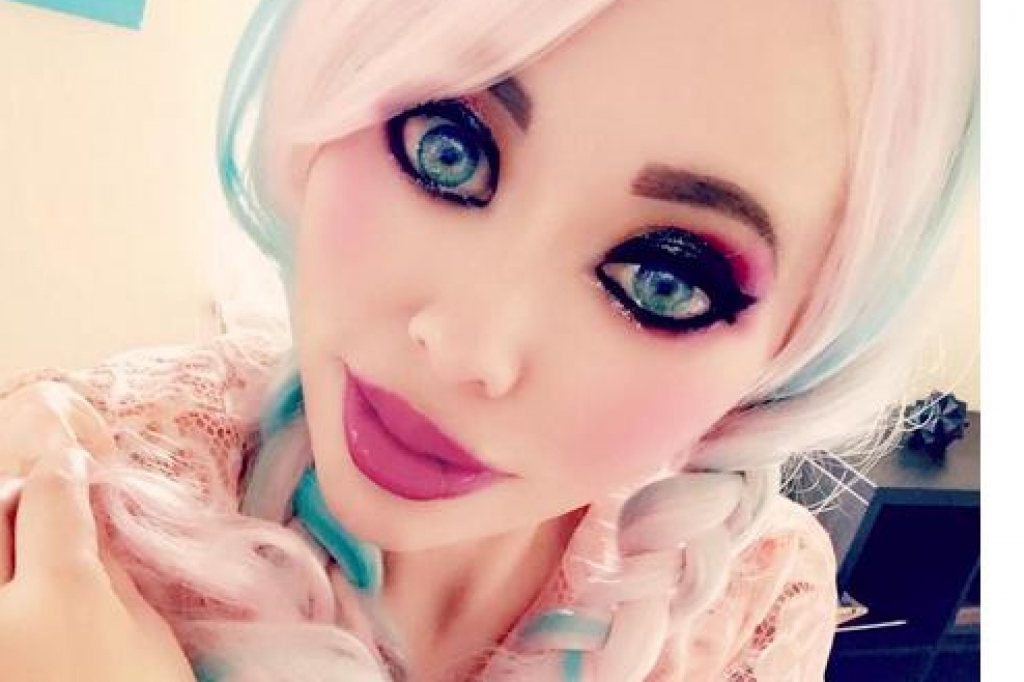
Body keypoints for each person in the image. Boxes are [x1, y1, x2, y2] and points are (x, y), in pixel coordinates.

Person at [0, 0, 978, 680]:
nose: (467, 347)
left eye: (664, 280)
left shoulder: (755, 597)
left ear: (792, 356)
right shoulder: (82, 508)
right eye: (448, 147)